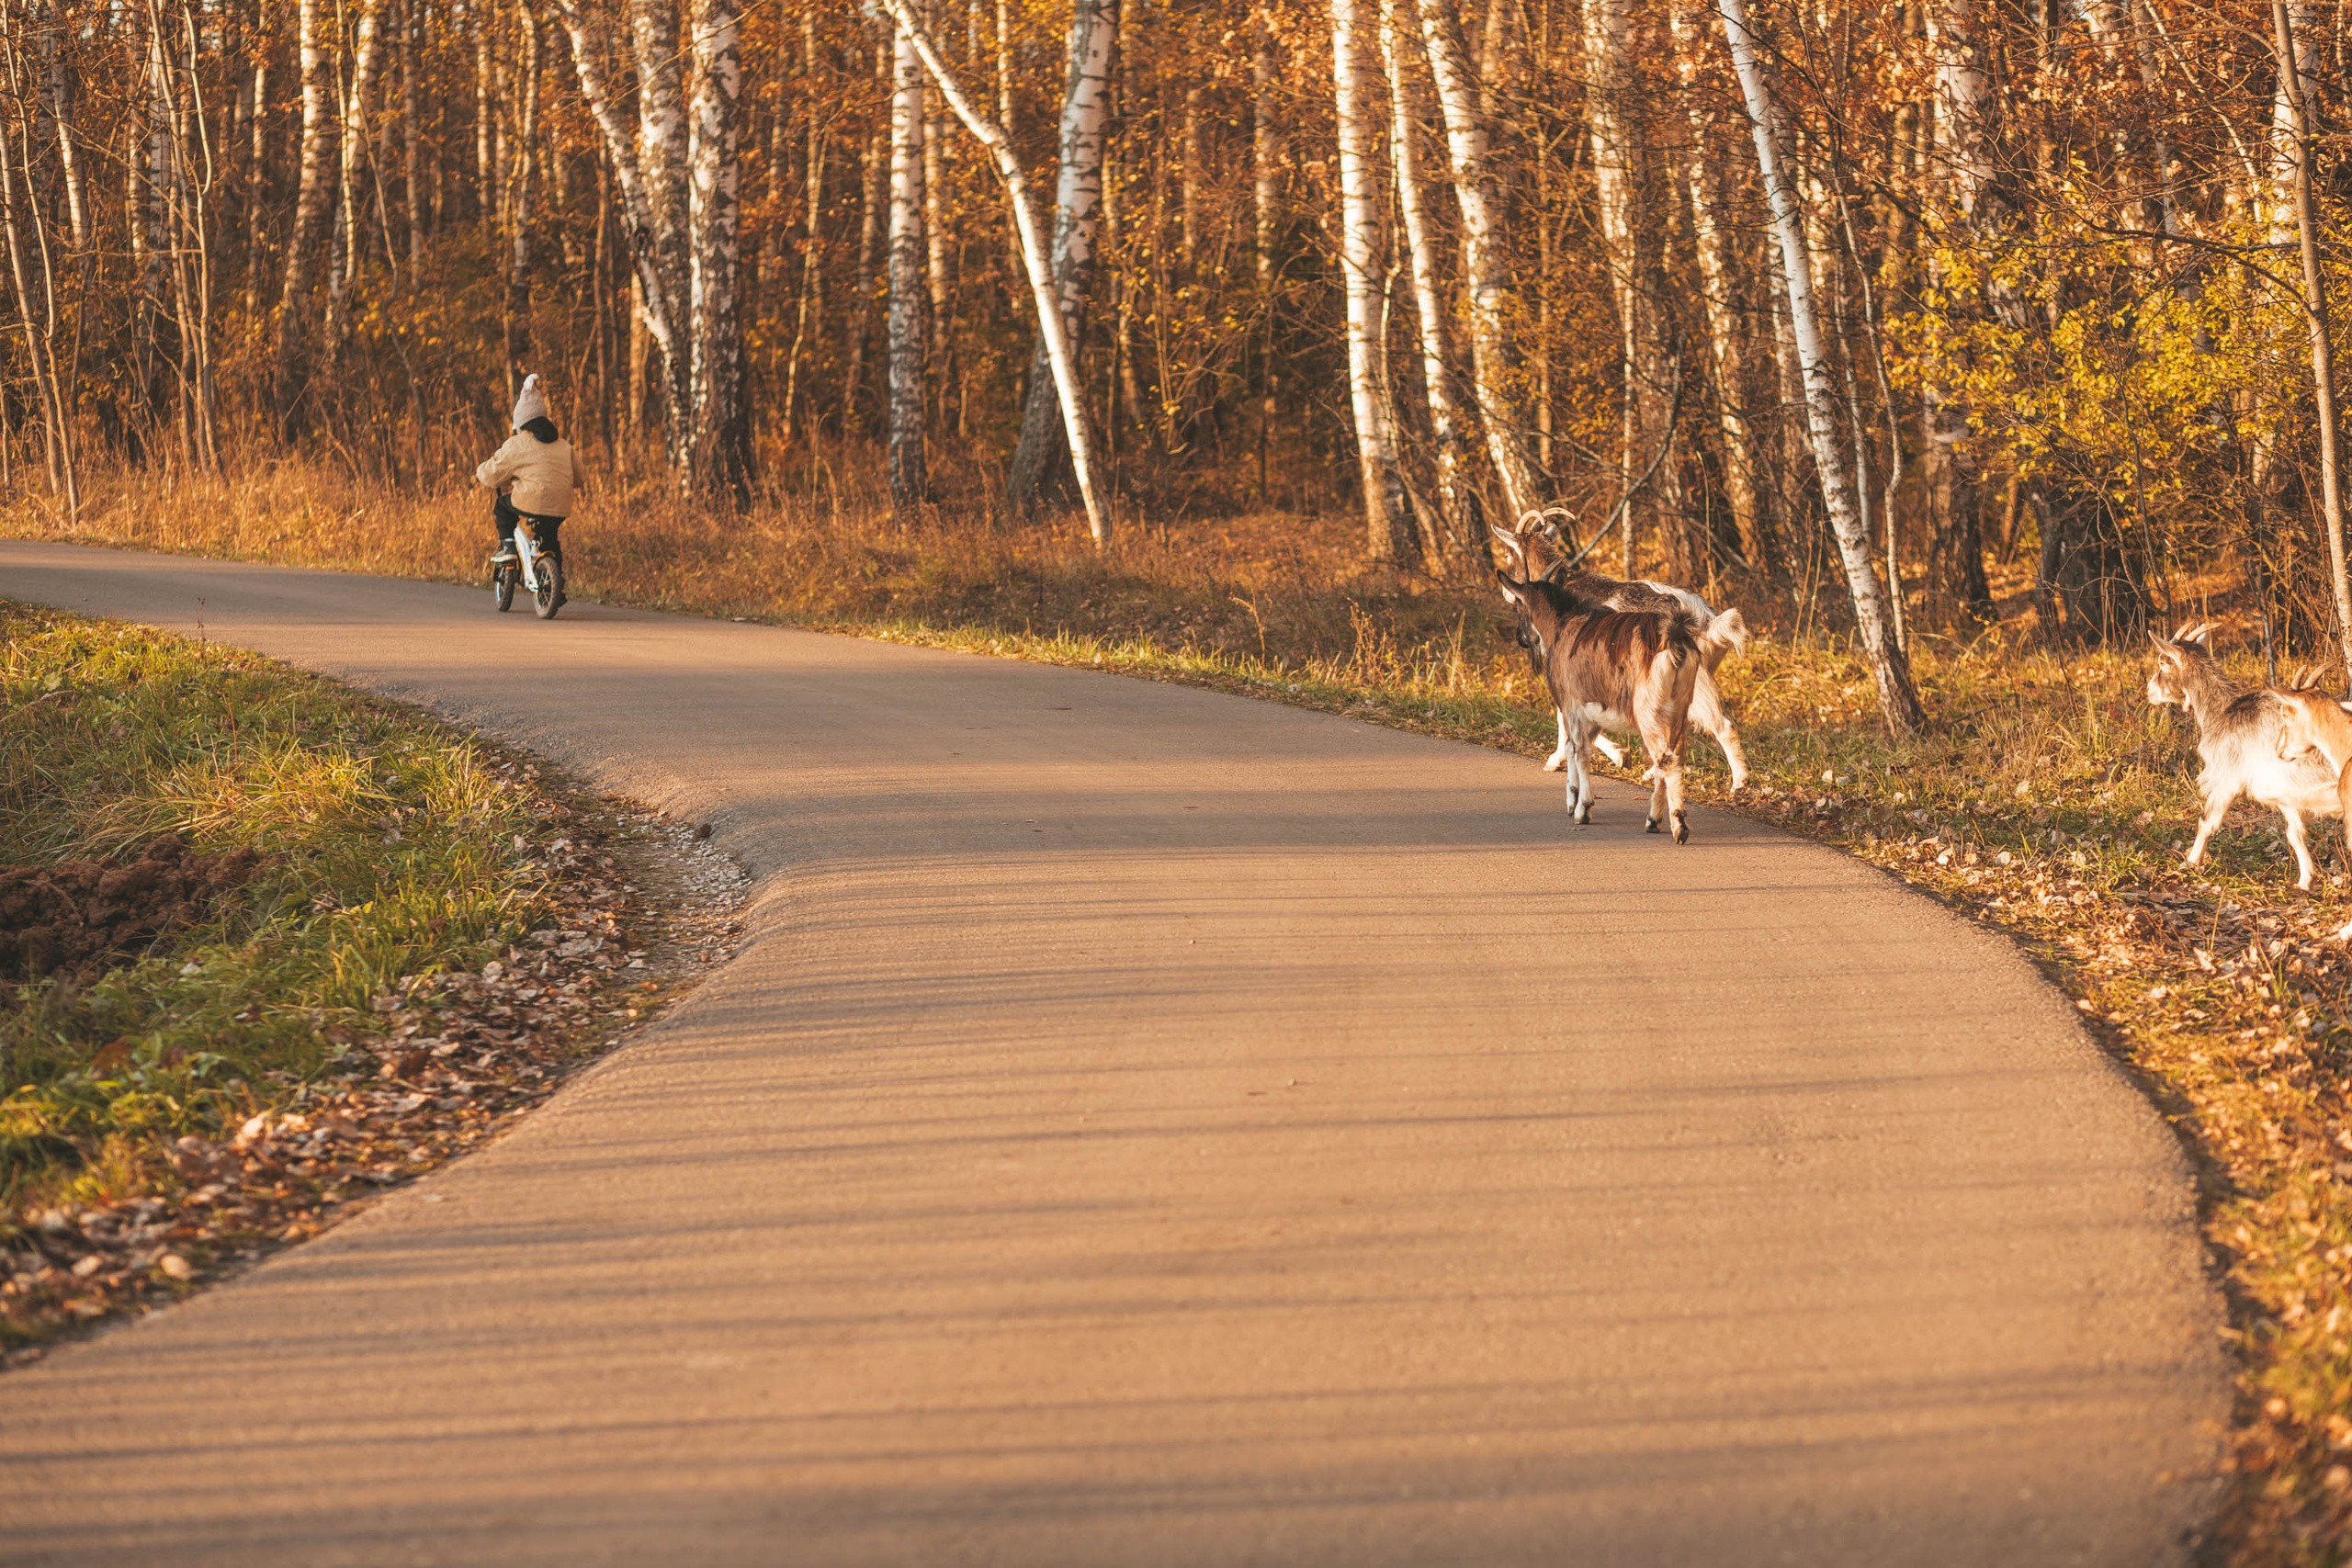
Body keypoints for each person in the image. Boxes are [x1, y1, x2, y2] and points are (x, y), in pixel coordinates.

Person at [477, 373, 587, 596]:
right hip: (560, 506)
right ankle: (559, 583)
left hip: (529, 500)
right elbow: (580, 477)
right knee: (550, 541)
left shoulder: (517, 444)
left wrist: (480, 473)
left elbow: (492, 473)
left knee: (502, 508)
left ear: (521, 422)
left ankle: (508, 546)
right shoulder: (564, 445)